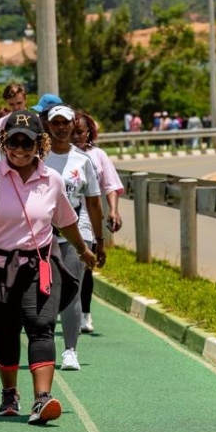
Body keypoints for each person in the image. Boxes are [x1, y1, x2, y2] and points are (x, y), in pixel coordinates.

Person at [0, 109, 96, 424]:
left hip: (40, 265)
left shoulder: (51, 180)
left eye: (27, 143)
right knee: (7, 331)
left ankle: (42, 399)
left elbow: (67, 221)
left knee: (41, 326)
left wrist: (82, 250)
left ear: (40, 145)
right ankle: (10, 394)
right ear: (3, 141)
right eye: (13, 142)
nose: (19, 150)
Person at [44, 104, 105, 371]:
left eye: (65, 123)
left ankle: (70, 350)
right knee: (45, 292)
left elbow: (93, 202)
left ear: (72, 125)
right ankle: (43, 347)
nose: (60, 127)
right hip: (43, 232)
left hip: (77, 232)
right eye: (55, 123)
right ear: (48, 126)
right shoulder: (38, 159)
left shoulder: (83, 160)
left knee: (72, 291)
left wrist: (99, 240)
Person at [71, 111, 123, 333]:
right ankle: (63, 309)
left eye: (80, 132)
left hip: (88, 217)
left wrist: (113, 210)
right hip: (62, 216)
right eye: (72, 132)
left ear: (89, 132)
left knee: (84, 266)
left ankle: (84, 313)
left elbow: (110, 185)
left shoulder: (98, 156)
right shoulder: (58, 154)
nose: (75, 136)